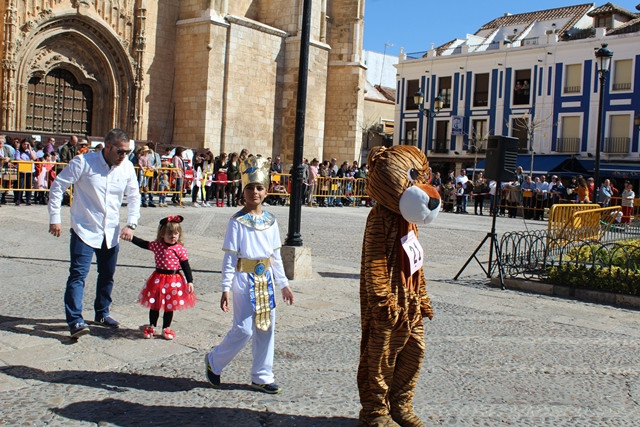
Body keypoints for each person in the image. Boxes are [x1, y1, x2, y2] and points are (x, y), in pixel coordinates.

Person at [205, 155, 294, 394]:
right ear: (243, 191)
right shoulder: (237, 221)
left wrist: (283, 284)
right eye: (250, 188)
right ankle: (215, 360)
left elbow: (275, 256)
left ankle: (262, 375)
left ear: (266, 192)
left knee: (266, 327)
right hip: (243, 280)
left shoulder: (271, 221)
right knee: (243, 329)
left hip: (264, 280)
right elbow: (230, 257)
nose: (254, 192)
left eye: (259, 188)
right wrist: (225, 287)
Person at [48, 128, 141, 339]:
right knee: (78, 274)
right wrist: (55, 218)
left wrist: (131, 224)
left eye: (127, 151)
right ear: (108, 147)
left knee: (107, 275)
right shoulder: (83, 162)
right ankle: (75, 320)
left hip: (111, 231)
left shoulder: (126, 167)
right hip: (84, 228)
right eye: (120, 151)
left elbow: (134, 196)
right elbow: (57, 187)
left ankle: (102, 312)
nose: (124, 156)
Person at [130, 215, 196, 339]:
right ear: (162, 235)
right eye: (169, 234)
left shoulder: (179, 249)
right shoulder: (157, 246)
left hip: (174, 280)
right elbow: (143, 243)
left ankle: (166, 328)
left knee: (169, 306)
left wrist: (190, 281)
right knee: (155, 304)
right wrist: (131, 237)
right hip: (158, 278)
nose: (173, 236)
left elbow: (186, 266)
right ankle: (152, 326)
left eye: (176, 233)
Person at [13, 137, 37, 206]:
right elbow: (17, 159)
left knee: (29, 185)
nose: (25, 146)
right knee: (20, 185)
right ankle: (18, 200)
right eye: (24, 144)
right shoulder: (19, 151)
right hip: (22, 170)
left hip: (30, 171)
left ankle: (28, 200)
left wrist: (30, 149)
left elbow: (34, 158)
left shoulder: (31, 151)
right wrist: (27, 162)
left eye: (27, 144)